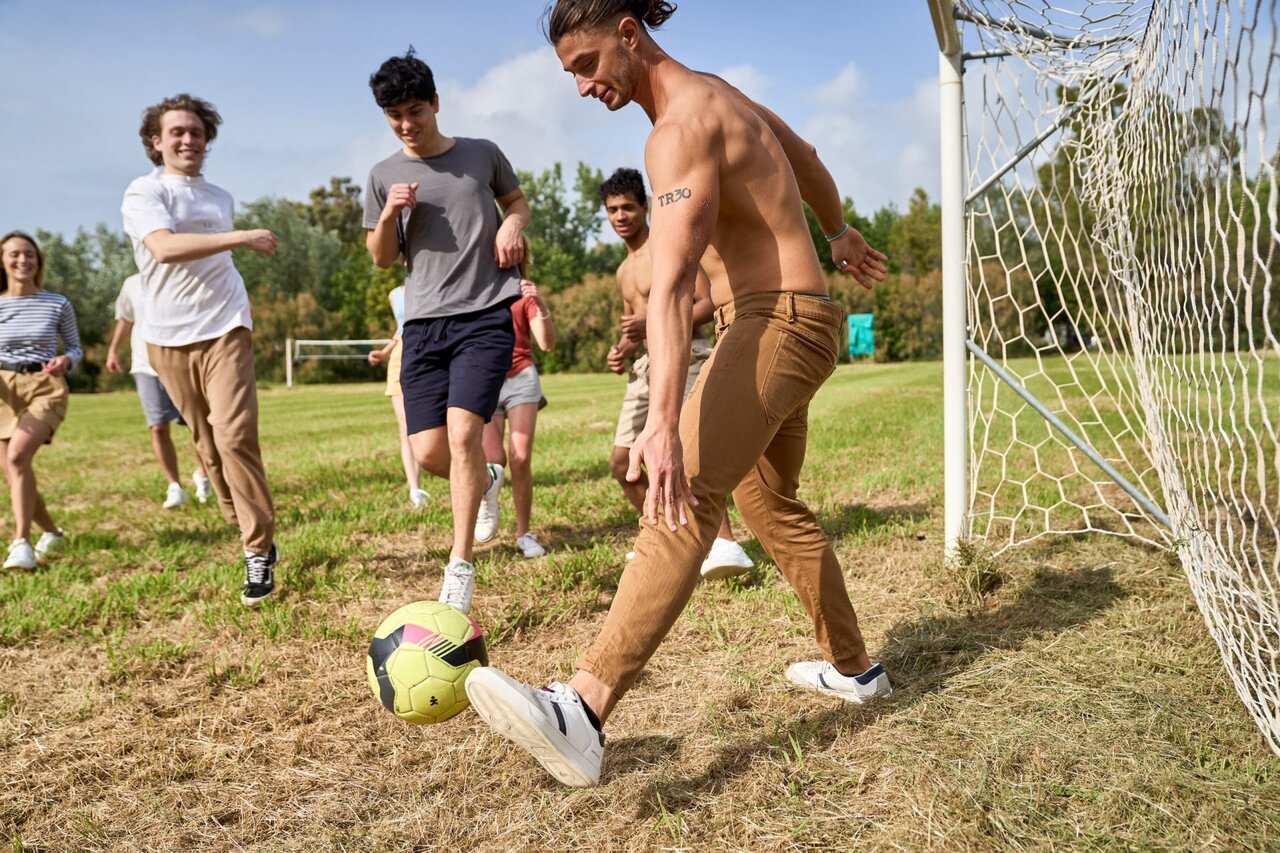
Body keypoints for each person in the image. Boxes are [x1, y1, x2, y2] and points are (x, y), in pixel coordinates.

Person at [465, 1, 891, 787]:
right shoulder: (722, 93)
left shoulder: (676, 132)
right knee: (768, 507)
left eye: (588, 64)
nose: (583, 87)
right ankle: (856, 670)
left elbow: (668, 286)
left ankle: (583, 709)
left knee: (682, 491)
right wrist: (837, 233)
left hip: (773, 323)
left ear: (630, 35)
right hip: (799, 318)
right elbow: (806, 156)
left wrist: (661, 421)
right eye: (570, 76)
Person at [363, 49, 532, 615]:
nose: (407, 123)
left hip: (485, 313)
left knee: (463, 435)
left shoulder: (481, 155)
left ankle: (459, 566)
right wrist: (389, 215)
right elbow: (383, 258)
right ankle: (486, 479)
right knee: (430, 449)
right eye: (395, 115)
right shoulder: (383, 175)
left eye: (415, 110)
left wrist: (511, 223)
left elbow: (517, 201)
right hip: (423, 324)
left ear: (436, 103)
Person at [121, 93, 281, 607]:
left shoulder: (219, 196)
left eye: (196, 132)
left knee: (234, 436)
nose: (188, 140)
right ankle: (241, 523)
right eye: (177, 133)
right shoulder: (143, 192)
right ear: (156, 141)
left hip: (226, 324)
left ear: (207, 138)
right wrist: (241, 238)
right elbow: (164, 248)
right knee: (207, 446)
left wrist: (235, 238)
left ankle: (257, 549)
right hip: (166, 337)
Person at [600, 167, 754, 579]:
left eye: (628, 207)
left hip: (687, 357)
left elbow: (707, 301)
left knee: (685, 453)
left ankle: (724, 544)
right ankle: (673, 536)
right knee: (622, 463)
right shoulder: (623, 270)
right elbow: (640, 327)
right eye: (612, 210)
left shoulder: (668, 246)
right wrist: (623, 349)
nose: (620, 217)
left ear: (644, 207)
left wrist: (650, 318)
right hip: (647, 367)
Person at [0, 231, 81, 570]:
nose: (23, 260)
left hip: (45, 386)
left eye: (30, 254)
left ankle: (21, 543)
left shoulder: (56, 302)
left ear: (38, 261)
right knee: (13, 470)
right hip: (3, 388)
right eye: (15, 254)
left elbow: (77, 347)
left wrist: (67, 360)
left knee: (18, 457)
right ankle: (52, 532)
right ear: (2, 261)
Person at [106, 273, 213, 510]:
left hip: (181, 362)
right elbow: (126, 319)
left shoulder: (183, 275)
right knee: (157, 426)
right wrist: (113, 350)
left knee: (196, 424)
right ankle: (174, 486)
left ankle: (204, 476)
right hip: (145, 365)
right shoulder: (131, 283)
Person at [481, 259, 556, 559]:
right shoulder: (476, 290)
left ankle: (524, 533)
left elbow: (547, 343)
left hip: (521, 379)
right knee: (494, 461)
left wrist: (539, 302)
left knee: (520, 457)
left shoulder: (523, 294)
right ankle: (488, 500)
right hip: (485, 379)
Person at [368, 285, 431, 508]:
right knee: (406, 429)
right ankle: (415, 490)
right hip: (400, 357)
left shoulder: (433, 282)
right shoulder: (394, 295)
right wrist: (384, 352)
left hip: (429, 353)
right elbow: (401, 329)